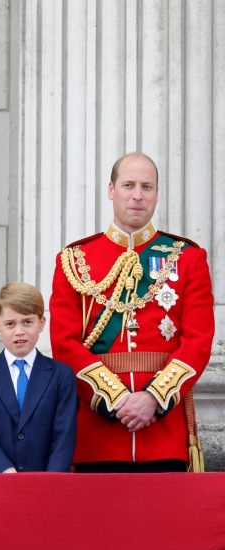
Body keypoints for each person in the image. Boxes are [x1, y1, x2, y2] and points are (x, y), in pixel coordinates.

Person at [50, 153, 214, 473]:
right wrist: (116, 401)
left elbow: (198, 342)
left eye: (147, 187)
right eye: (129, 185)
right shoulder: (74, 259)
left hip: (164, 435)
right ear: (112, 190)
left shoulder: (188, 258)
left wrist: (153, 398)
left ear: (156, 194)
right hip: (98, 437)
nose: (138, 195)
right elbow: (64, 344)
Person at [0, 284, 77, 473]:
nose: (19, 331)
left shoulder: (61, 374)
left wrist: (52, 481)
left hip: (43, 482)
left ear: (41, 323)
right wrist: (5, 470)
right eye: (10, 324)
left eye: (27, 322)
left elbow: (64, 434)